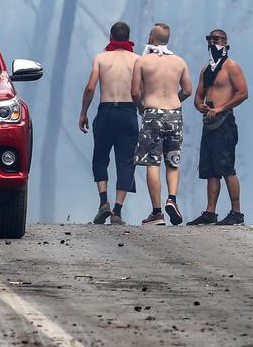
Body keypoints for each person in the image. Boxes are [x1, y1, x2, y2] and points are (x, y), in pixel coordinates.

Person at [130, 22, 192, 225]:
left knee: (152, 162)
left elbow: (135, 92)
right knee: (172, 160)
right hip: (174, 114)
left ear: (151, 37)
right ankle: (171, 199)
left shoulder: (142, 61)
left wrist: (142, 108)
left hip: (152, 114)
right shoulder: (180, 62)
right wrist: (173, 103)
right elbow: (188, 90)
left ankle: (157, 213)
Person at [78, 21, 139, 225]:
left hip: (106, 112)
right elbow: (139, 90)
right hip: (128, 113)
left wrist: (83, 113)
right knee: (126, 161)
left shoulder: (101, 58)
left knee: (100, 157)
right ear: (128, 37)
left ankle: (103, 201)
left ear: (111, 36)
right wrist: (141, 108)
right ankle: (117, 211)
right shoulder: (137, 60)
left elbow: (90, 88)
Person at [187, 28, 248, 225]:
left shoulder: (231, 66)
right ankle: (210, 212)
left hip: (225, 122)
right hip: (209, 122)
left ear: (225, 42)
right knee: (210, 169)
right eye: (209, 39)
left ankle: (236, 212)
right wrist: (200, 105)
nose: (212, 42)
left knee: (226, 167)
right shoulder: (207, 69)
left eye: (216, 39)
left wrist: (220, 108)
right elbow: (198, 96)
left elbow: (243, 93)